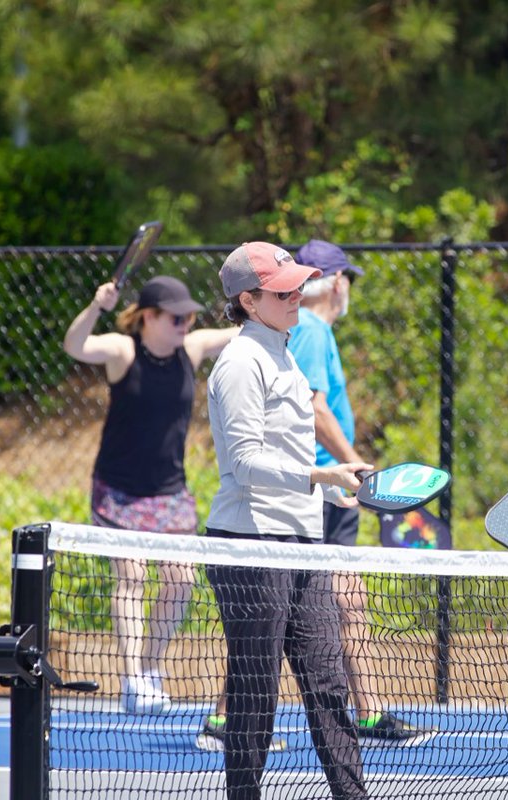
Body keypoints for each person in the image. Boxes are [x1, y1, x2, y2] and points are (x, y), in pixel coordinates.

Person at [200, 241, 373, 800]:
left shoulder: (286, 350)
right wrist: (322, 478)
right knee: (255, 692)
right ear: (249, 301)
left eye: (299, 285)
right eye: (283, 290)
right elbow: (247, 464)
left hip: (301, 542)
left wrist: (327, 496)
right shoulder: (239, 363)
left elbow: (288, 458)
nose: (298, 295)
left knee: (326, 684)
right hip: (250, 546)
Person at [63, 275, 237, 714]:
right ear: (149, 317)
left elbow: (244, 332)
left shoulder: (191, 349)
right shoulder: (123, 352)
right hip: (119, 491)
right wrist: (96, 307)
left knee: (181, 579)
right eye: (177, 316)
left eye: (190, 316)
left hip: (169, 491)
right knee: (133, 576)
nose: (186, 323)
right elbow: (75, 346)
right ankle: (132, 679)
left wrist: (291, 303)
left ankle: (150, 669)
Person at [289, 239, 433, 744]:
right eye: (345, 276)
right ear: (333, 281)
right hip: (320, 490)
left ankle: (369, 713)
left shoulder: (315, 331)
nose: (349, 286)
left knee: (349, 601)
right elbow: (312, 408)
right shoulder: (307, 328)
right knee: (288, 611)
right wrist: (350, 464)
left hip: (333, 491)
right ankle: (224, 719)